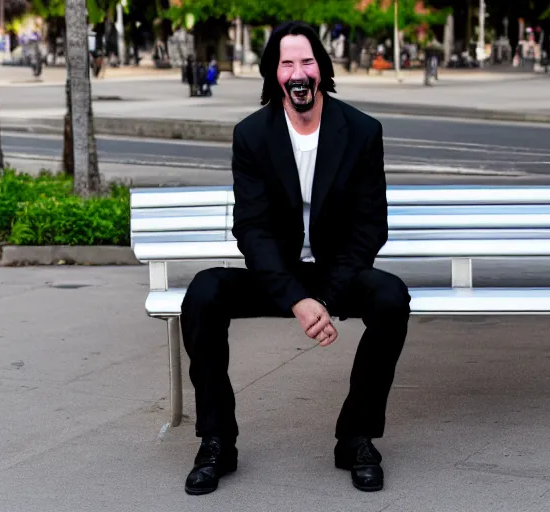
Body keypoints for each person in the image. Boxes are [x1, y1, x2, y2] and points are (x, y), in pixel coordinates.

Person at [180, 20, 411, 496]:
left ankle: (356, 437)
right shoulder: (251, 135)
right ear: (274, 74)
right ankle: (217, 440)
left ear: (322, 69)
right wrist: (298, 299)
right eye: (287, 63)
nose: (298, 71)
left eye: (307, 61)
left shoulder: (362, 131)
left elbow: (370, 226)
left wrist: (323, 296)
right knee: (203, 292)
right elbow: (252, 228)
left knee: (391, 297)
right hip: (277, 275)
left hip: (337, 273)